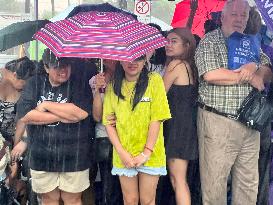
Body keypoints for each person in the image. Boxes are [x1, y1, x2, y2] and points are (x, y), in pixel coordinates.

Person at [195, 0, 272, 205]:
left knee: (248, 184)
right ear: (223, 17)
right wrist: (249, 74)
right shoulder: (210, 41)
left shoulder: (251, 41)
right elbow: (210, 74)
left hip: (250, 123)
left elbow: (267, 70)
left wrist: (256, 67)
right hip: (218, 122)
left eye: (244, 15)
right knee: (215, 184)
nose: (239, 19)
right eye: (235, 15)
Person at [16, 48, 94, 205]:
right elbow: (27, 116)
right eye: (57, 66)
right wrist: (63, 115)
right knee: (48, 199)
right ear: (46, 67)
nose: (63, 70)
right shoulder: (34, 83)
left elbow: (81, 114)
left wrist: (45, 105)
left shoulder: (78, 83)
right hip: (41, 154)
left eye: (66, 65)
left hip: (74, 154)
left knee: (73, 200)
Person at [102, 55, 171, 205]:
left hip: (151, 152)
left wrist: (146, 152)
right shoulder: (113, 86)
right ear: (120, 60)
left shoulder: (154, 80)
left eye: (138, 58)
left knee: (147, 201)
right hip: (123, 152)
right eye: (127, 58)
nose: (132, 63)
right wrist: (122, 153)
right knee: (130, 200)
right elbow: (108, 123)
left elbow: (157, 118)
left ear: (145, 60)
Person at [163, 27, 198, 205]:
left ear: (186, 45)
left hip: (177, 129)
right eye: (167, 41)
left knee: (178, 180)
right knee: (179, 179)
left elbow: (159, 94)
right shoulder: (190, 65)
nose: (168, 45)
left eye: (174, 41)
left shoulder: (175, 65)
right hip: (186, 127)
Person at [89, 59, 123, 205]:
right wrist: (98, 90)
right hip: (105, 138)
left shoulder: (130, 78)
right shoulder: (96, 80)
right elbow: (97, 116)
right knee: (108, 188)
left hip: (128, 136)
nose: (112, 59)